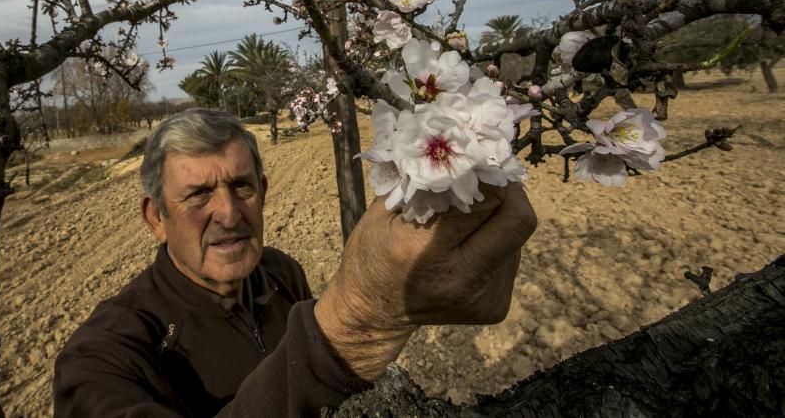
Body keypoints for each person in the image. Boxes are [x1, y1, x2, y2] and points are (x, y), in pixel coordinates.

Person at [54, 108, 537, 416]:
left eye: (241, 186)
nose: (227, 213)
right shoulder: (104, 355)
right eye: (198, 195)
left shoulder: (281, 272)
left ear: (262, 192)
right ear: (156, 217)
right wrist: (359, 323)